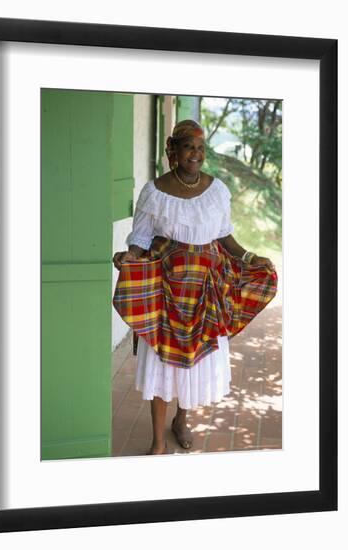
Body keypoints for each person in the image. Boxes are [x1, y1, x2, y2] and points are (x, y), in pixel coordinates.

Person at [112, 119, 278, 455]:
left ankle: (181, 420)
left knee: (195, 359)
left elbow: (225, 237)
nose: (196, 154)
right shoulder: (154, 192)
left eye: (201, 148)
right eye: (189, 146)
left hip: (206, 289)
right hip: (166, 289)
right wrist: (129, 256)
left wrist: (250, 256)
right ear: (172, 149)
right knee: (162, 360)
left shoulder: (216, 190)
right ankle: (158, 441)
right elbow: (142, 238)